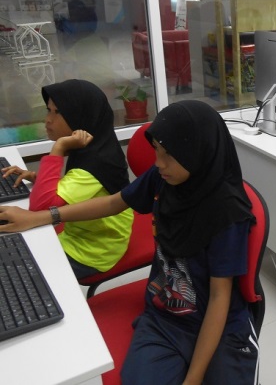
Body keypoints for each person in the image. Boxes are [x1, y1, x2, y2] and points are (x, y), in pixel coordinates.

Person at [0, 100, 259, 384]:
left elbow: (220, 297)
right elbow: (114, 202)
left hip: (219, 325)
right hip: (166, 318)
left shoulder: (227, 213)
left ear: (198, 153)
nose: (158, 163)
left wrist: (193, 379)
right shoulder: (163, 178)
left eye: (169, 155)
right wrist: (40, 218)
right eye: (156, 150)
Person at [1, 79, 133, 279]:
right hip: (80, 235)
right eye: (48, 110)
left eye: (58, 112)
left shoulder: (94, 165)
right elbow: (72, 188)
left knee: (13, 269)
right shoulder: (95, 148)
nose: (47, 120)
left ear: (81, 116)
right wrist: (38, 178)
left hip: (92, 251)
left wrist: (59, 147)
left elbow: (40, 207)